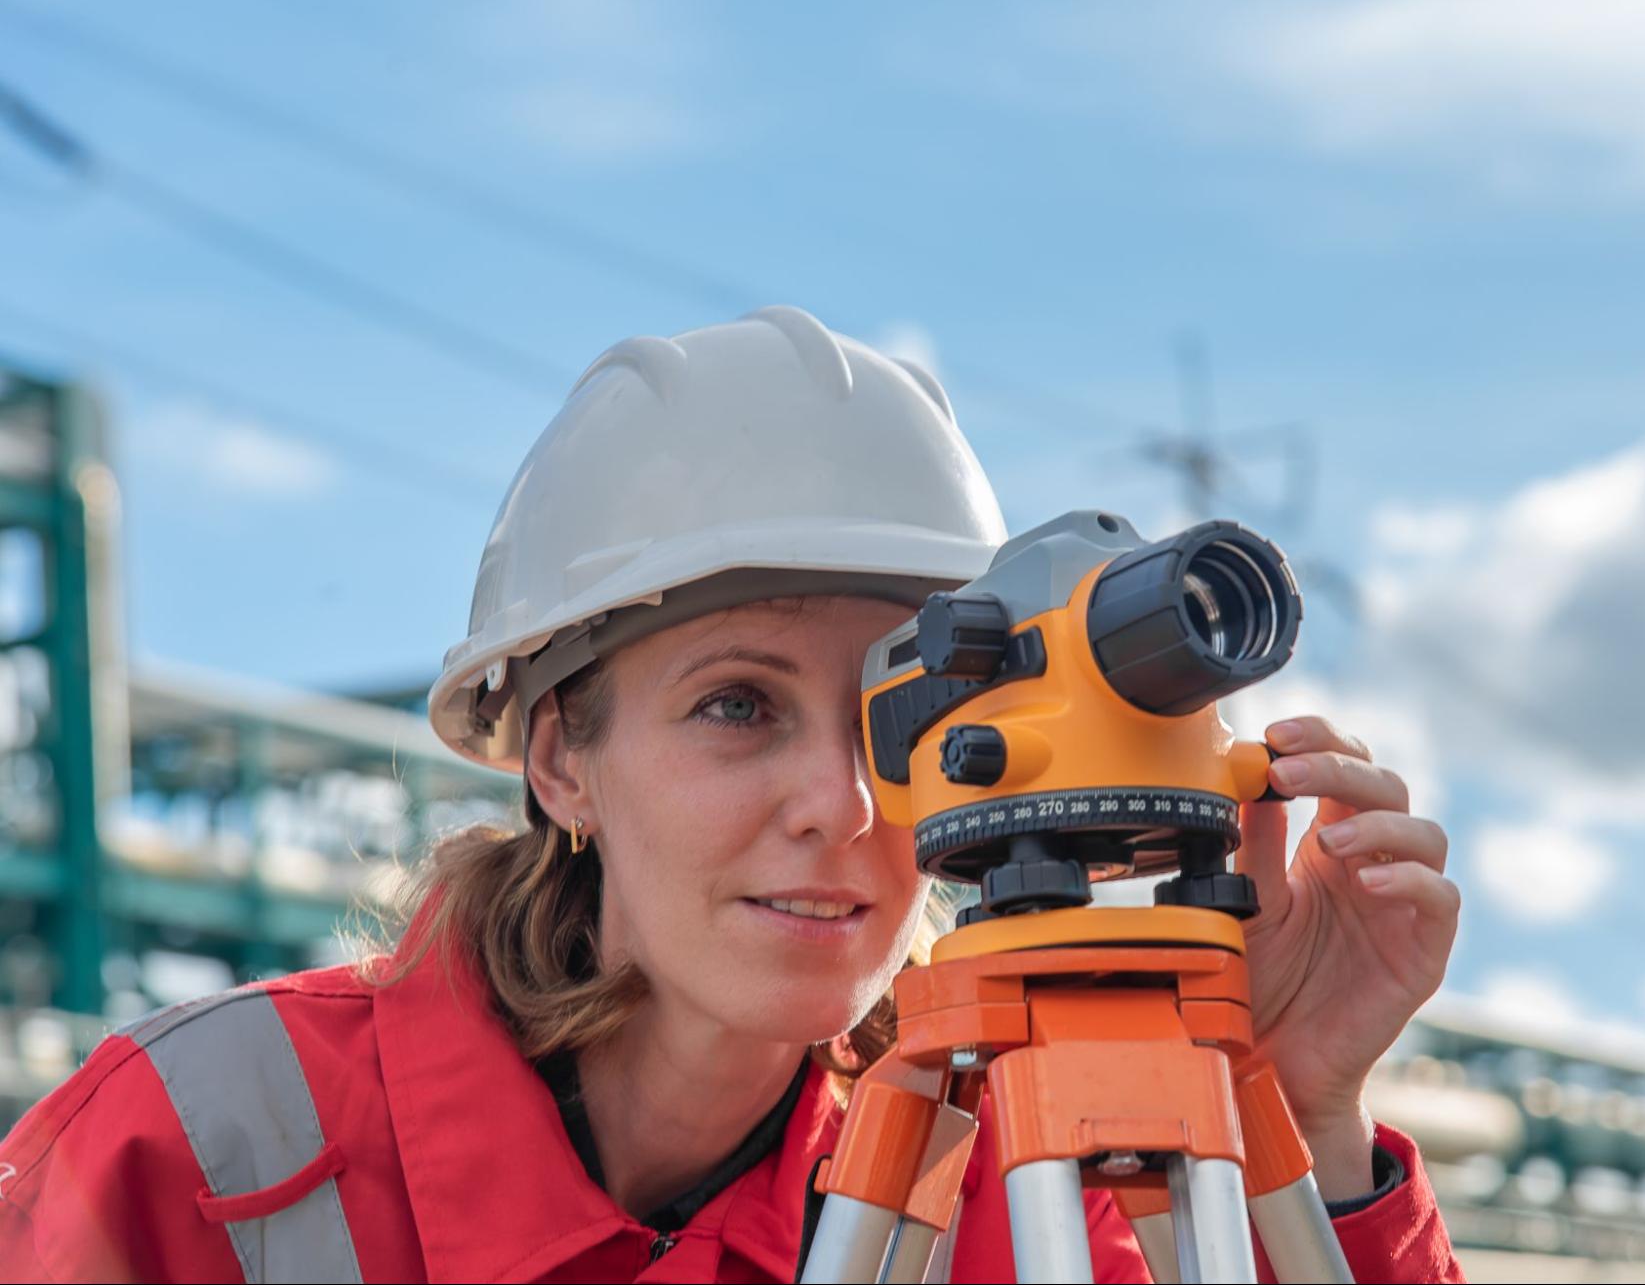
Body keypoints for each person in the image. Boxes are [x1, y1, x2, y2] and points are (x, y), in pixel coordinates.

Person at [0, 307, 1464, 1283]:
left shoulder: (1019, 1211)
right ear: (561, 757)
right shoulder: (194, 1156)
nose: (839, 803)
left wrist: (1305, 1115)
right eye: (737, 706)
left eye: (899, 717)